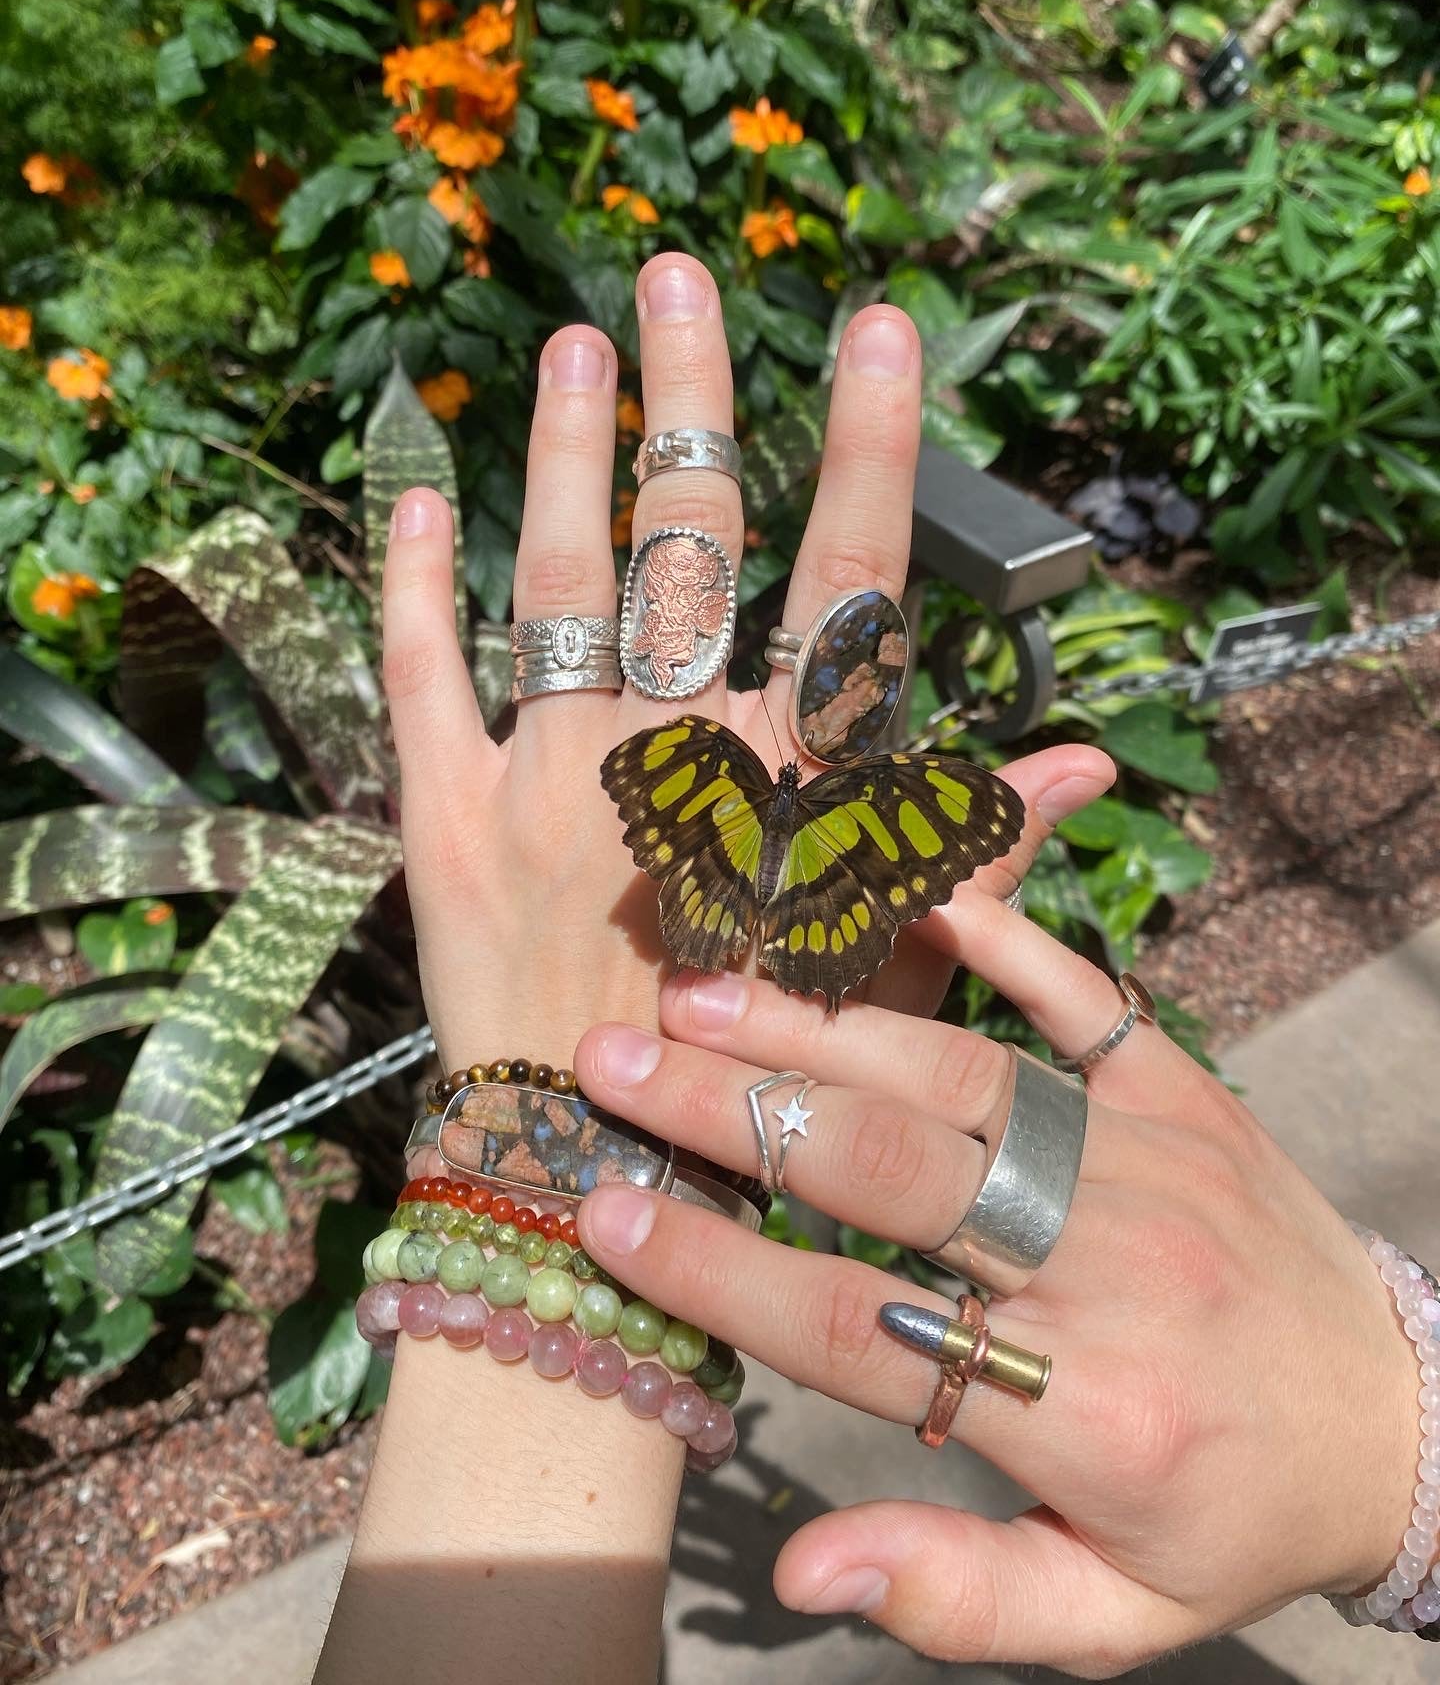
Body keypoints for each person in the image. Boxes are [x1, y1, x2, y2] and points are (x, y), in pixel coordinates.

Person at [314, 254, 1438, 1682]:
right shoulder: (826, 804)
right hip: (809, 895)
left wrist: (1400, 1462)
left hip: (737, 895)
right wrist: (1403, 1456)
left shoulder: (705, 789)